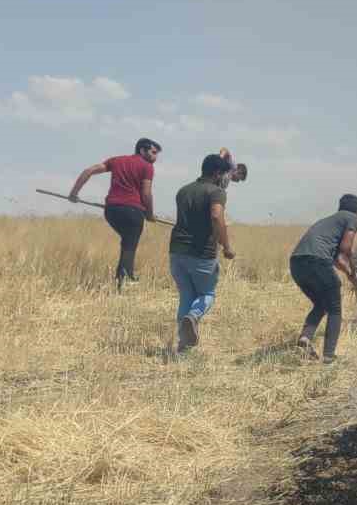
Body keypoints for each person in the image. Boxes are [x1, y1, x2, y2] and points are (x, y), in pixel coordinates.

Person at [69, 138, 162, 289]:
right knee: (130, 244)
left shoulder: (117, 160)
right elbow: (146, 193)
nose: (155, 157)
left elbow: (89, 171)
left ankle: (123, 277)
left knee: (127, 242)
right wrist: (150, 214)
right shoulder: (147, 167)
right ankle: (125, 280)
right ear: (142, 150)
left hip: (111, 210)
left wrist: (73, 193)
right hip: (132, 211)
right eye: (153, 153)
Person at [168, 154, 235, 353]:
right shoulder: (216, 192)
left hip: (176, 251)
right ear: (216, 173)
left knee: (186, 295)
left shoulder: (183, 191)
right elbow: (216, 216)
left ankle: (183, 346)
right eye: (223, 174)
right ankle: (194, 316)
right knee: (206, 294)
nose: (225, 178)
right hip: (201, 253)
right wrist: (226, 246)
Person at [289, 194, 357, 362]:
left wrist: (349, 274)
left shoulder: (330, 221)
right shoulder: (353, 218)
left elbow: (336, 257)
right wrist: (350, 255)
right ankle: (329, 356)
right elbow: (345, 248)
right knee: (335, 308)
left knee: (322, 304)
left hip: (297, 263)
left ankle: (305, 338)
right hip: (317, 261)